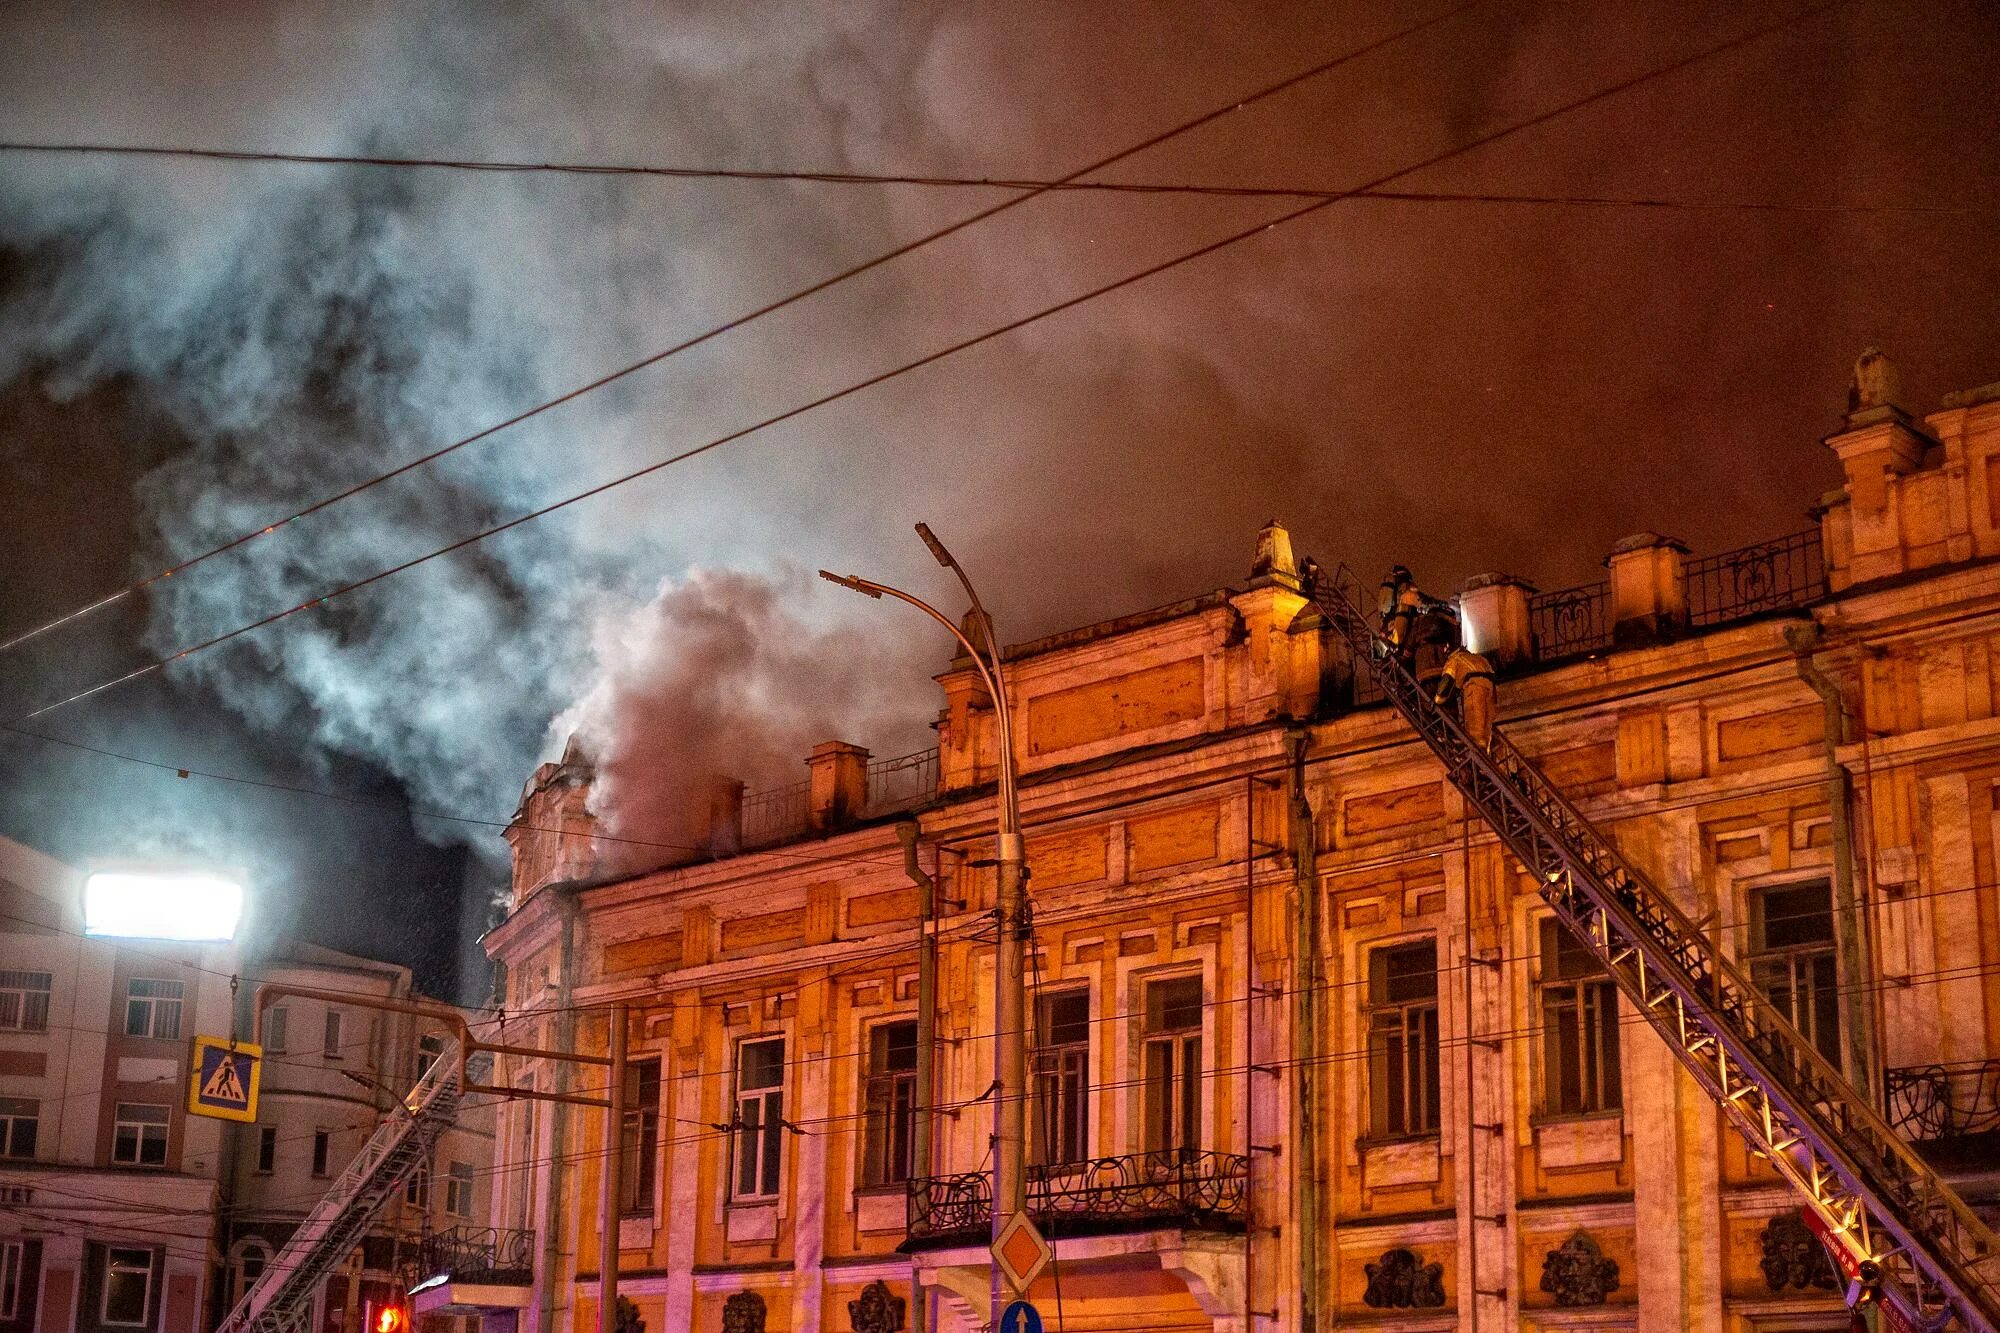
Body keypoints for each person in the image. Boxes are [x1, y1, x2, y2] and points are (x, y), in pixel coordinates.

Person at [1434, 644, 1497, 748]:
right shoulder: (1479, 658)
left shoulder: (1455, 659)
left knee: (1474, 734)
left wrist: (1437, 700)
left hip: (1474, 689)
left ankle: (1474, 758)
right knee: (1485, 736)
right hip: (1490, 692)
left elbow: (1446, 682)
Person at [1378, 565, 1421, 651]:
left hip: (1386, 630)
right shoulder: (1406, 589)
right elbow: (1421, 601)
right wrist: (1437, 603)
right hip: (1401, 635)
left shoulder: (1391, 593)